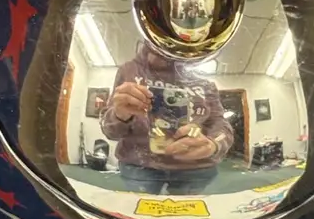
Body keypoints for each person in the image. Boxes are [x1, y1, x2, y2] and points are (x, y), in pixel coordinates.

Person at [100, 44, 234, 196]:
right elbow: (109, 130)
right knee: (134, 211)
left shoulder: (204, 80)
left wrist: (213, 144)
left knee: (192, 213)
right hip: (139, 166)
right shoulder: (128, 70)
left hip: (195, 168)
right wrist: (119, 114)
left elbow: (221, 124)